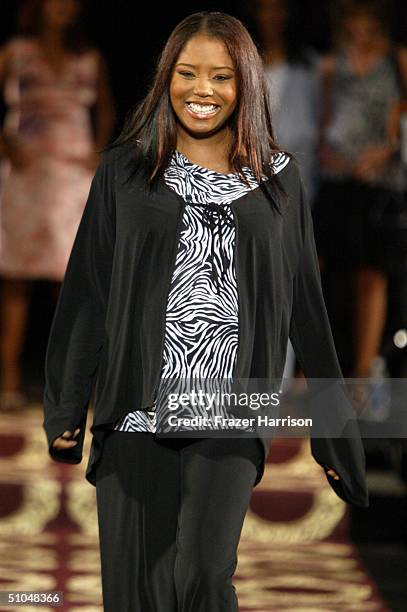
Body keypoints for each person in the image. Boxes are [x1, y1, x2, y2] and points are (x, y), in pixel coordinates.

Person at [42, 11, 368, 612]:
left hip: (233, 408)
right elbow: (88, 291)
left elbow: (307, 305)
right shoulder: (125, 170)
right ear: (166, 79)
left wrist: (334, 432)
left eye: (221, 77)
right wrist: (67, 403)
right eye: (187, 74)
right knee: (138, 594)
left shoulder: (280, 180)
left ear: (245, 84)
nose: (202, 90)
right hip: (135, 406)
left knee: (200, 576)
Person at [0, 0, 115, 410]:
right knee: (16, 277)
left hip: (71, 172)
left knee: (75, 283)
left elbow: (105, 108)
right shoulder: (16, 52)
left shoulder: (89, 58)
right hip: (27, 169)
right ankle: (9, 381)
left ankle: (75, 386)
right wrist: (6, 142)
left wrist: (99, 152)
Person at [313, 0, 407, 377]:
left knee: (372, 275)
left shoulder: (397, 59)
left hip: (380, 185)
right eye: (353, 16)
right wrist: (327, 154)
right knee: (324, 274)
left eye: (367, 16)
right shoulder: (332, 65)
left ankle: (364, 375)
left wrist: (387, 151)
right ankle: (313, 371)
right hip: (338, 182)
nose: (360, 25)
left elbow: (401, 117)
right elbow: (321, 122)